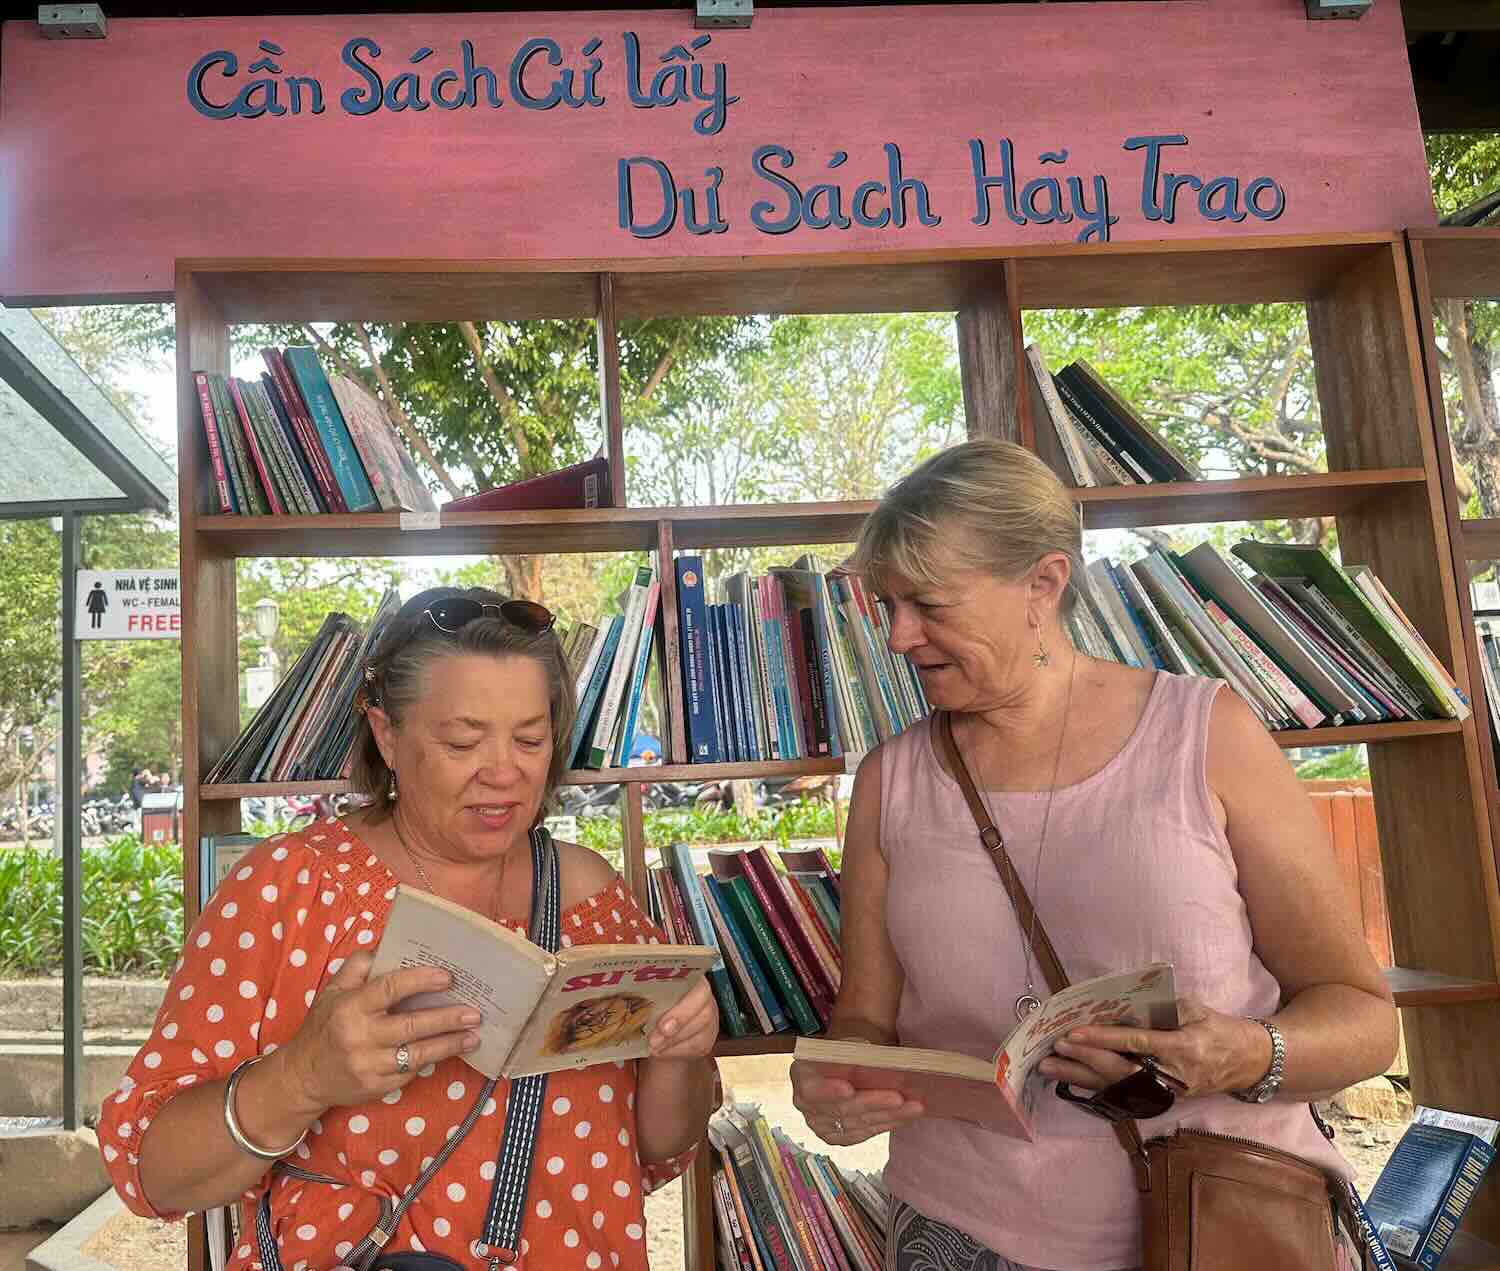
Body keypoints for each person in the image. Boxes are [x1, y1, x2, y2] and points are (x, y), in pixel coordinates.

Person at [790, 439, 1398, 1271]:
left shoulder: (1208, 735)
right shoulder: (889, 782)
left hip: (1223, 1221)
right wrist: (836, 1085)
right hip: (959, 1231)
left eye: (928, 603)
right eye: (885, 604)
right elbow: (865, 1017)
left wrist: (1246, 1051)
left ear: (1043, 584)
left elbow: (1364, 1018)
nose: (899, 636)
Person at [98, 587, 720, 1271]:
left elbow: (657, 1150)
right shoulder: (290, 889)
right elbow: (149, 1171)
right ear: (386, 735)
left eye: (530, 738)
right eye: (462, 739)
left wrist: (678, 1052)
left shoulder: (593, 897)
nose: (504, 771)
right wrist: (302, 1077)